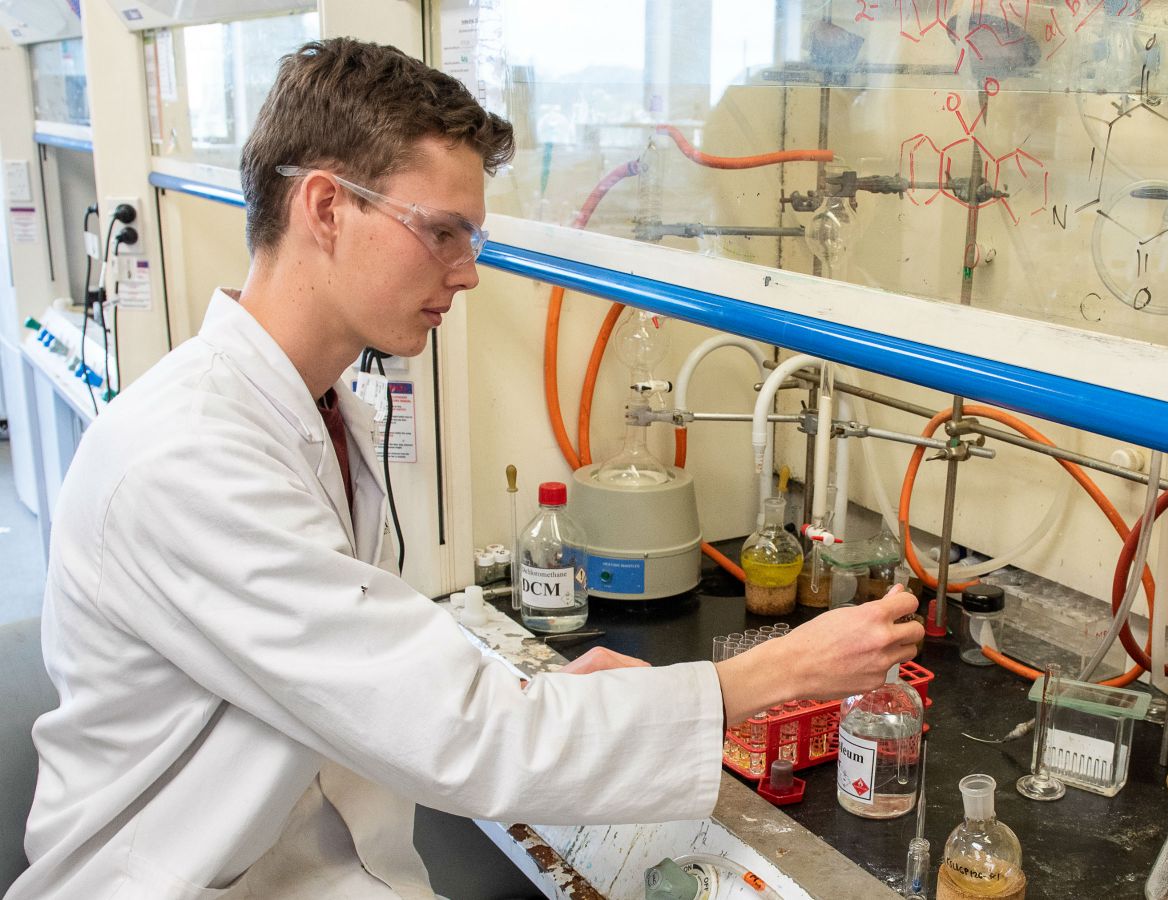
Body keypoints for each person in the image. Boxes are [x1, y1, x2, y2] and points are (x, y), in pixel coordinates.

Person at [8, 38, 923, 900]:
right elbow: (461, 735)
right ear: (325, 208)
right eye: (441, 232)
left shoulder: (318, 414)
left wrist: (546, 707)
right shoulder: (189, 458)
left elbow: (369, 694)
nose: (468, 272)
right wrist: (774, 673)